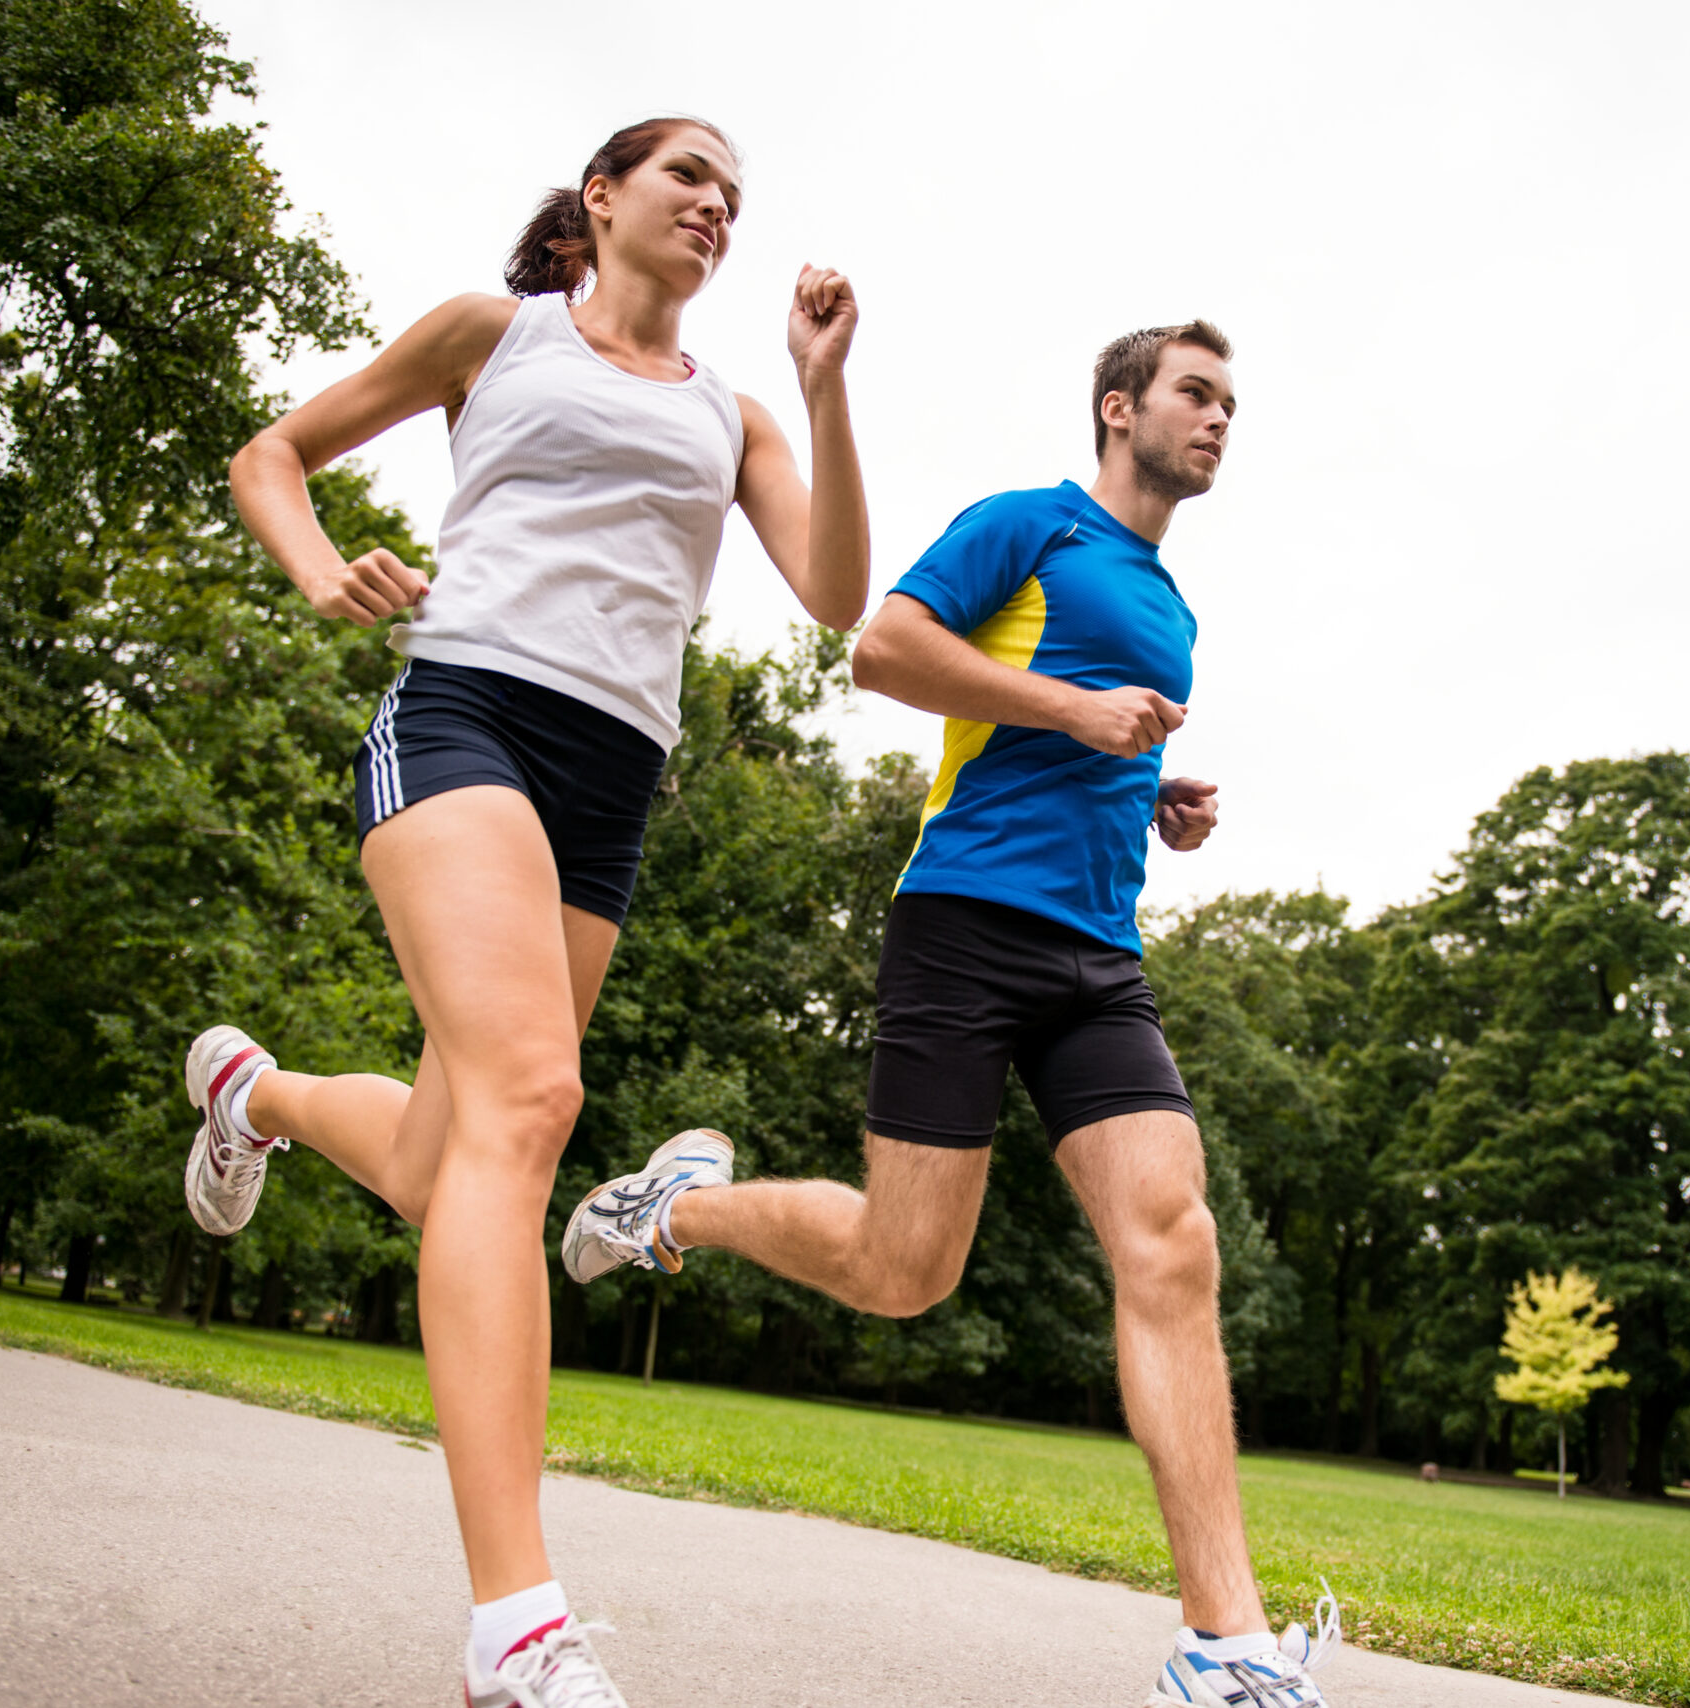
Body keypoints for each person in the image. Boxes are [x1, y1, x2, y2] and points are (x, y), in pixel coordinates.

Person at [177, 116, 868, 1708]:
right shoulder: (495, 337)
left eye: (736, 195)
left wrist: (823, 392)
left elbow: (835, 594)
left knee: (444, 1166)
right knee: (533, 1103)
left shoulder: (735, 409)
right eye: (687, 173)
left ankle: (253, 1093)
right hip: (467, 715)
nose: (715, 202)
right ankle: (517, 1626)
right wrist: (313, 566)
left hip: (613, 783)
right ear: (606, 196)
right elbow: (269, 454)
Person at [564, 321, 1346, 1708]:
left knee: (1174, 1241)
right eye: (1197, 393)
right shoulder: (1026, 525)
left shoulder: (1172, 603)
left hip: (1101, 957)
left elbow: (1079, 739)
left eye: (1233, 400)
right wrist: (1071, 713)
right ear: (1121, 407)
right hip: (967, 928)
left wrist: (1150, 795)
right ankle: (673, 1208)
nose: (1221, 418)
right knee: (902, 1270)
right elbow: (881, 650)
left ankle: (1223, 1646)